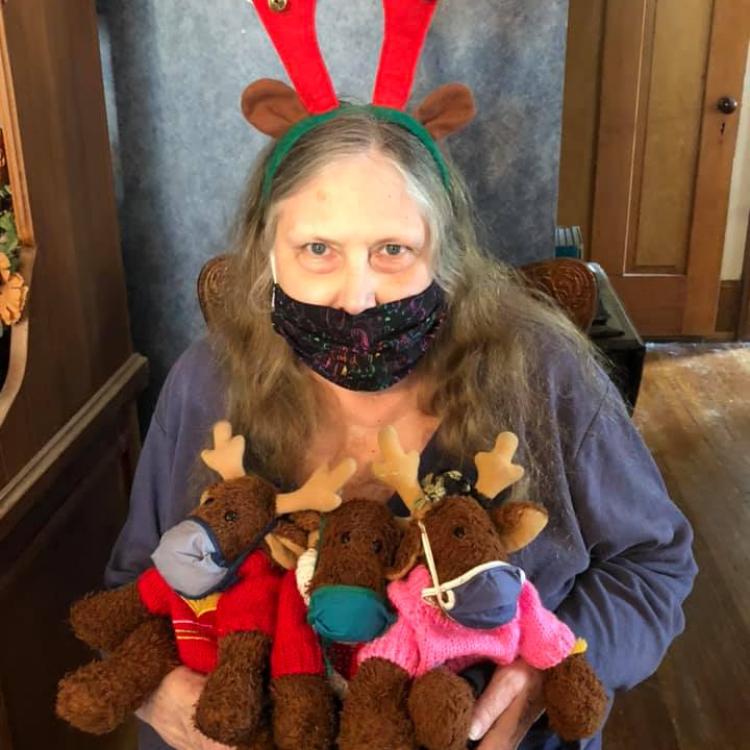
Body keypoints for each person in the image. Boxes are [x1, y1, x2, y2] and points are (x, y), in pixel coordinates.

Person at [105, 108, 697, 750]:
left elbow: (652, 564)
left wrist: (546, 675)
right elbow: (137, 578)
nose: (356, 297)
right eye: (317, 250)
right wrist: (157, 687)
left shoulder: (541, 373)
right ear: (267, 255)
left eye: (392, 250)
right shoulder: (206, 381)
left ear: (443, 253)